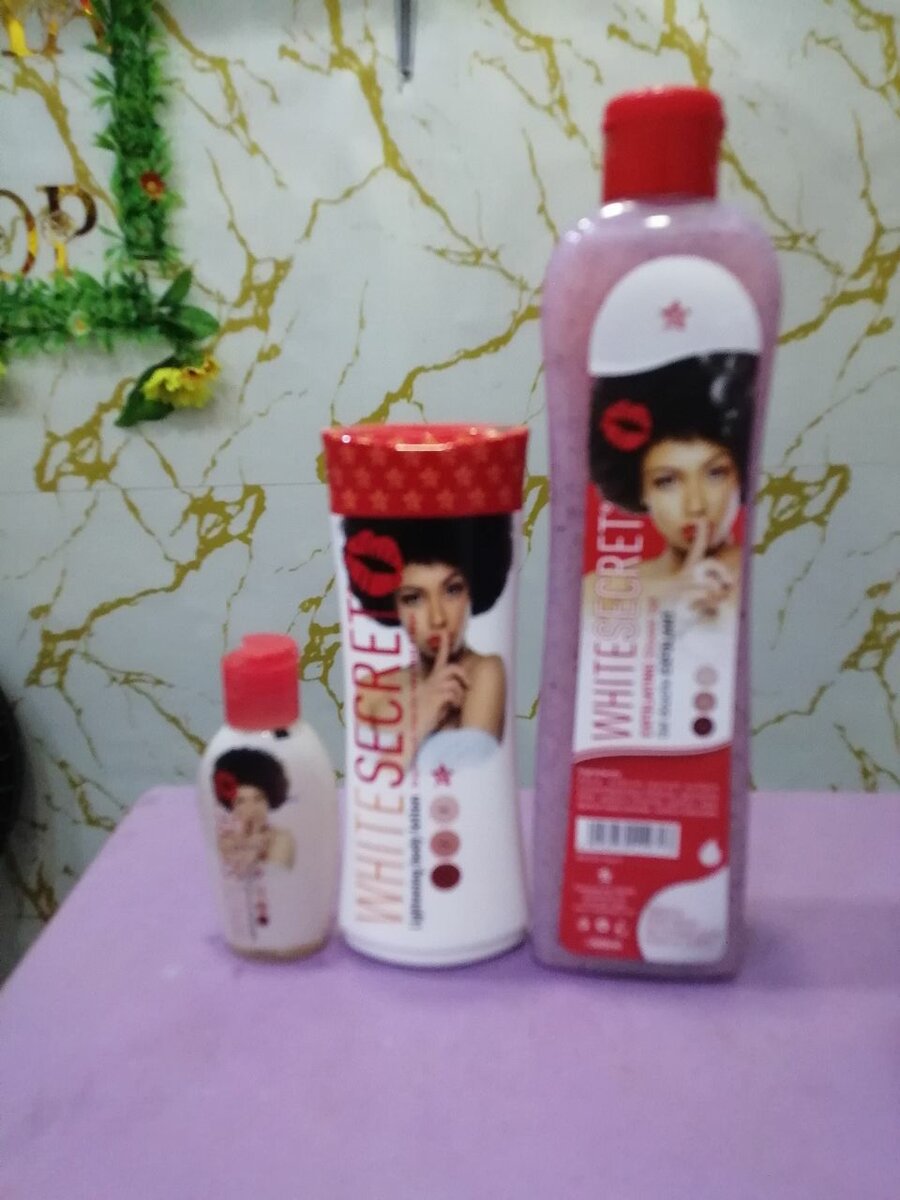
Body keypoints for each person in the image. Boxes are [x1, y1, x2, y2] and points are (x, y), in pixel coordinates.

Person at [589, 352, 756, 618]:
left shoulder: (763, 582)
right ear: (641, 489)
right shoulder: (600, 594)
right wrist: (667, 600)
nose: (696, 505)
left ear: (741, 475)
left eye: (715, 473)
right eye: (667, 481)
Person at [342, 514, 512, 768]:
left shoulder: (484, 672)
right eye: (413, 598)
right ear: (393, 606)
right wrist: (421, 718)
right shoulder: (372, 690)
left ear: (472, 591)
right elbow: (374, 780)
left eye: (452, 589)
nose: (437, 618)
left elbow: (471, 774)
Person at [212, 748, 295, 875]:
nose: (251, 809)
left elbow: (276, 877)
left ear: (269, 800)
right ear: (232, 806)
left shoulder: (281, 839)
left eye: (258, 798)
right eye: (241, 801)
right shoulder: (225, 841)